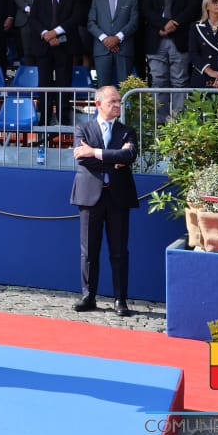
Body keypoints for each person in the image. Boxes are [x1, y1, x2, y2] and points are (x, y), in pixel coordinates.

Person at [70, 86, 138, 316]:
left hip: (118, 197)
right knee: (89, 250)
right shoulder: (83, 129)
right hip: (90, 197)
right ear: (98, 104)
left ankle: (121, 299)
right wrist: (113, 159)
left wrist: (96, 152)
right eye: (113, 102)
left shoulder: (127, 131)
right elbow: (82, 159)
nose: (118, 105)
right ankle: (88, 296)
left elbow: (128, 156)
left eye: (119, 101)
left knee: (119, 251)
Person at [141, 0, 199, 118]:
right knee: (158, 80)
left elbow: (192, 7)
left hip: (179, 38)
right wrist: (163, 24)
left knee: (179, 80)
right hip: (156, 39)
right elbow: (146, 10)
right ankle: (160, 120)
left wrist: (175, 23)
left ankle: (178, 120)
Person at [27, 0, 83, 125]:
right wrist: (46, 33)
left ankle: (63, 120)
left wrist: (56, 32)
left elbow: (75, 17)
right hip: (43, 46)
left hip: (64, 46)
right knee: (43, 83)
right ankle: (43, 119)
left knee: (63, 82)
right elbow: (33, 19)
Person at [87, 0, 140, 89]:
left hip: (124, 47)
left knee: (126, 88)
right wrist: (105, 39)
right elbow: (91, 23)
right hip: (102, 48)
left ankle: (125, 109)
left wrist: (117, 38)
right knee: (103, 88)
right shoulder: (97, 0)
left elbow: (134, 22)